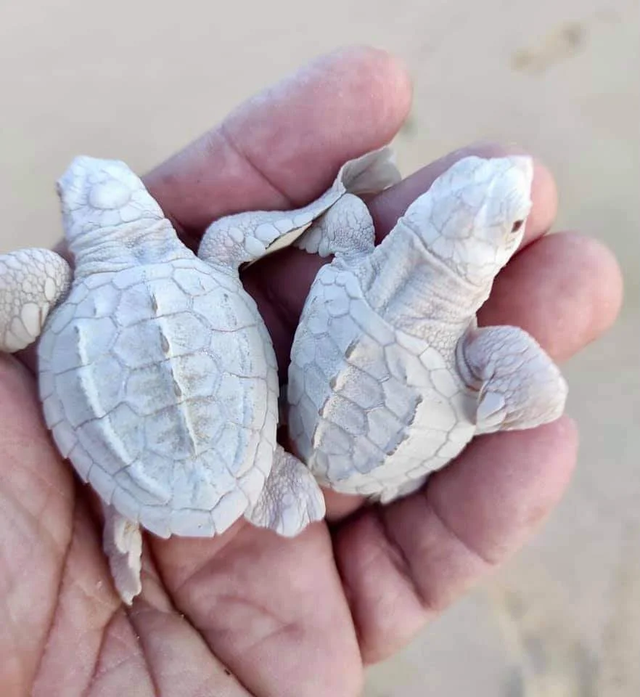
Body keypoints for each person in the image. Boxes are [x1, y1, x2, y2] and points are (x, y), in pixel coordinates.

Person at [0, 46, 622, 696]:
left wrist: (332, 203)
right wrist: (318, 208)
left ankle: (129, 513)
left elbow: (336, 222)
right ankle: (213, 487)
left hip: (291, 410)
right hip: (302, 438)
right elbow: (539, 396)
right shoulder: (211, 250)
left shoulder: (62, 285)